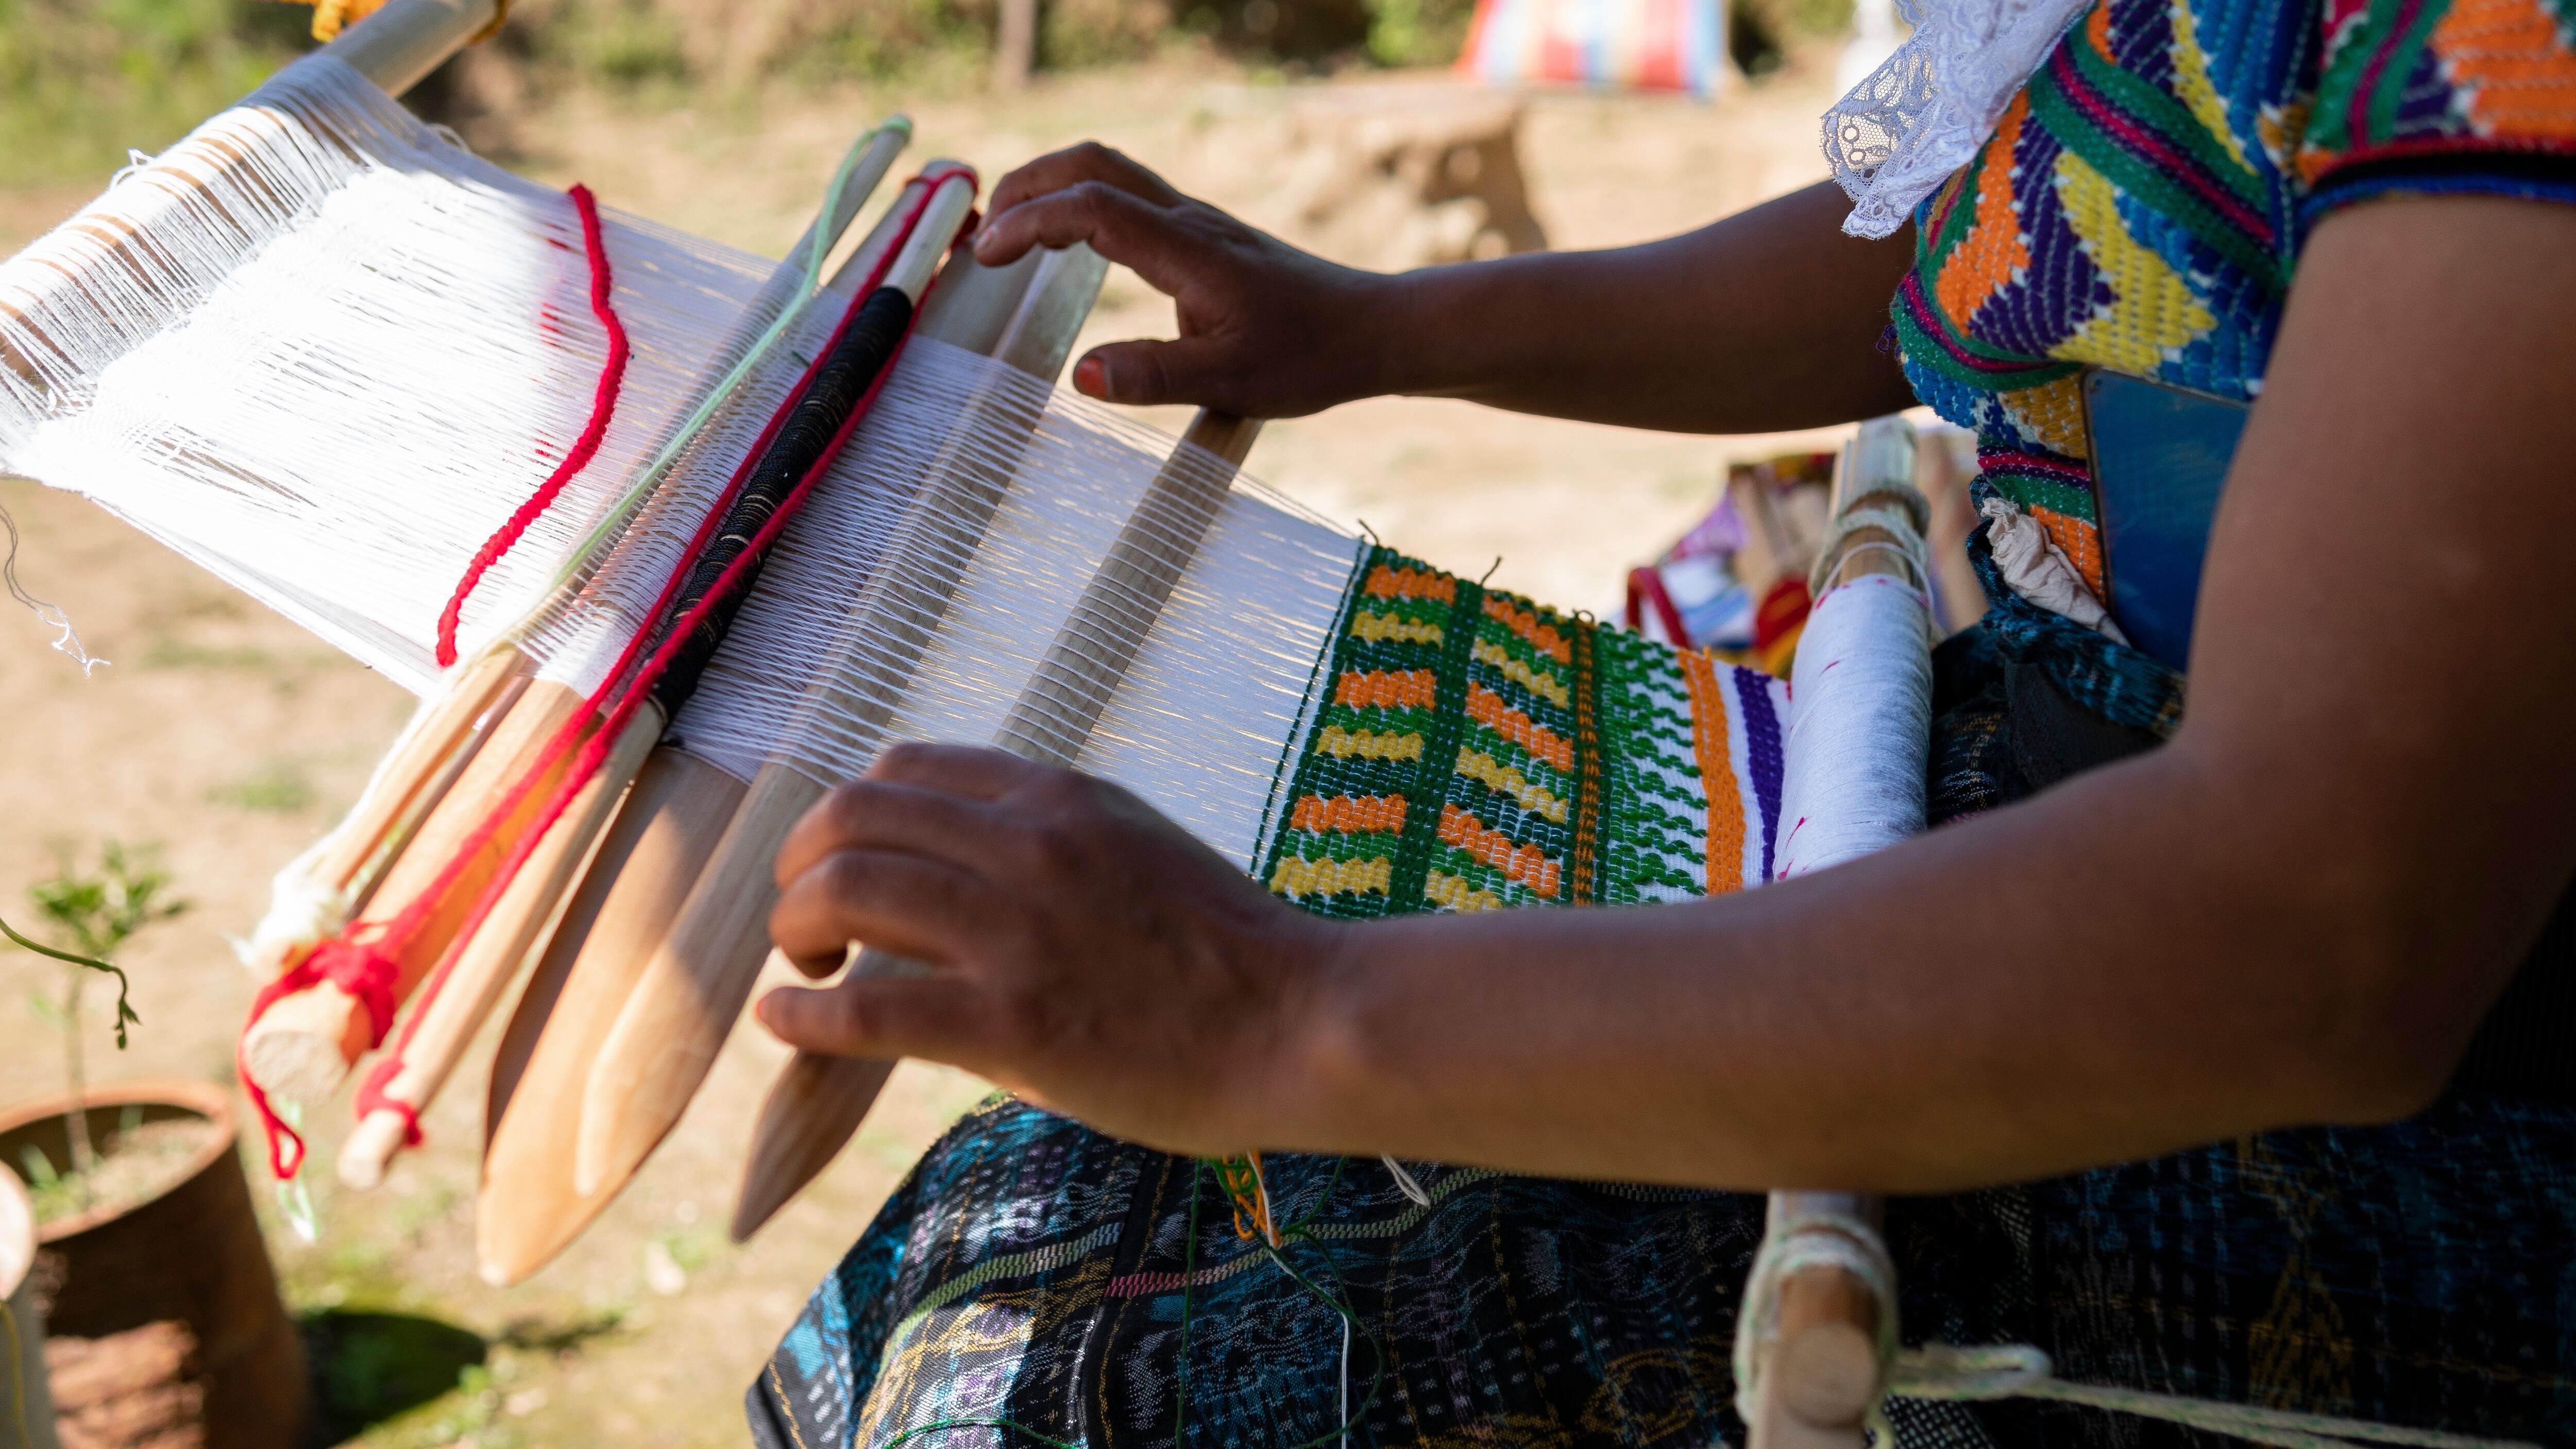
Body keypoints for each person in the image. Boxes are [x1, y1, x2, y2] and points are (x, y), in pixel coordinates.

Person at [741, 0, 2576, 1438]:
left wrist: (1284, 1011)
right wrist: (1376, 329)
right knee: (1039, 1204)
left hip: (2389, 1101)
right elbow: (1981, 242)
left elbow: (2327, 928)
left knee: (1121, 1365)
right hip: (2066, 810)